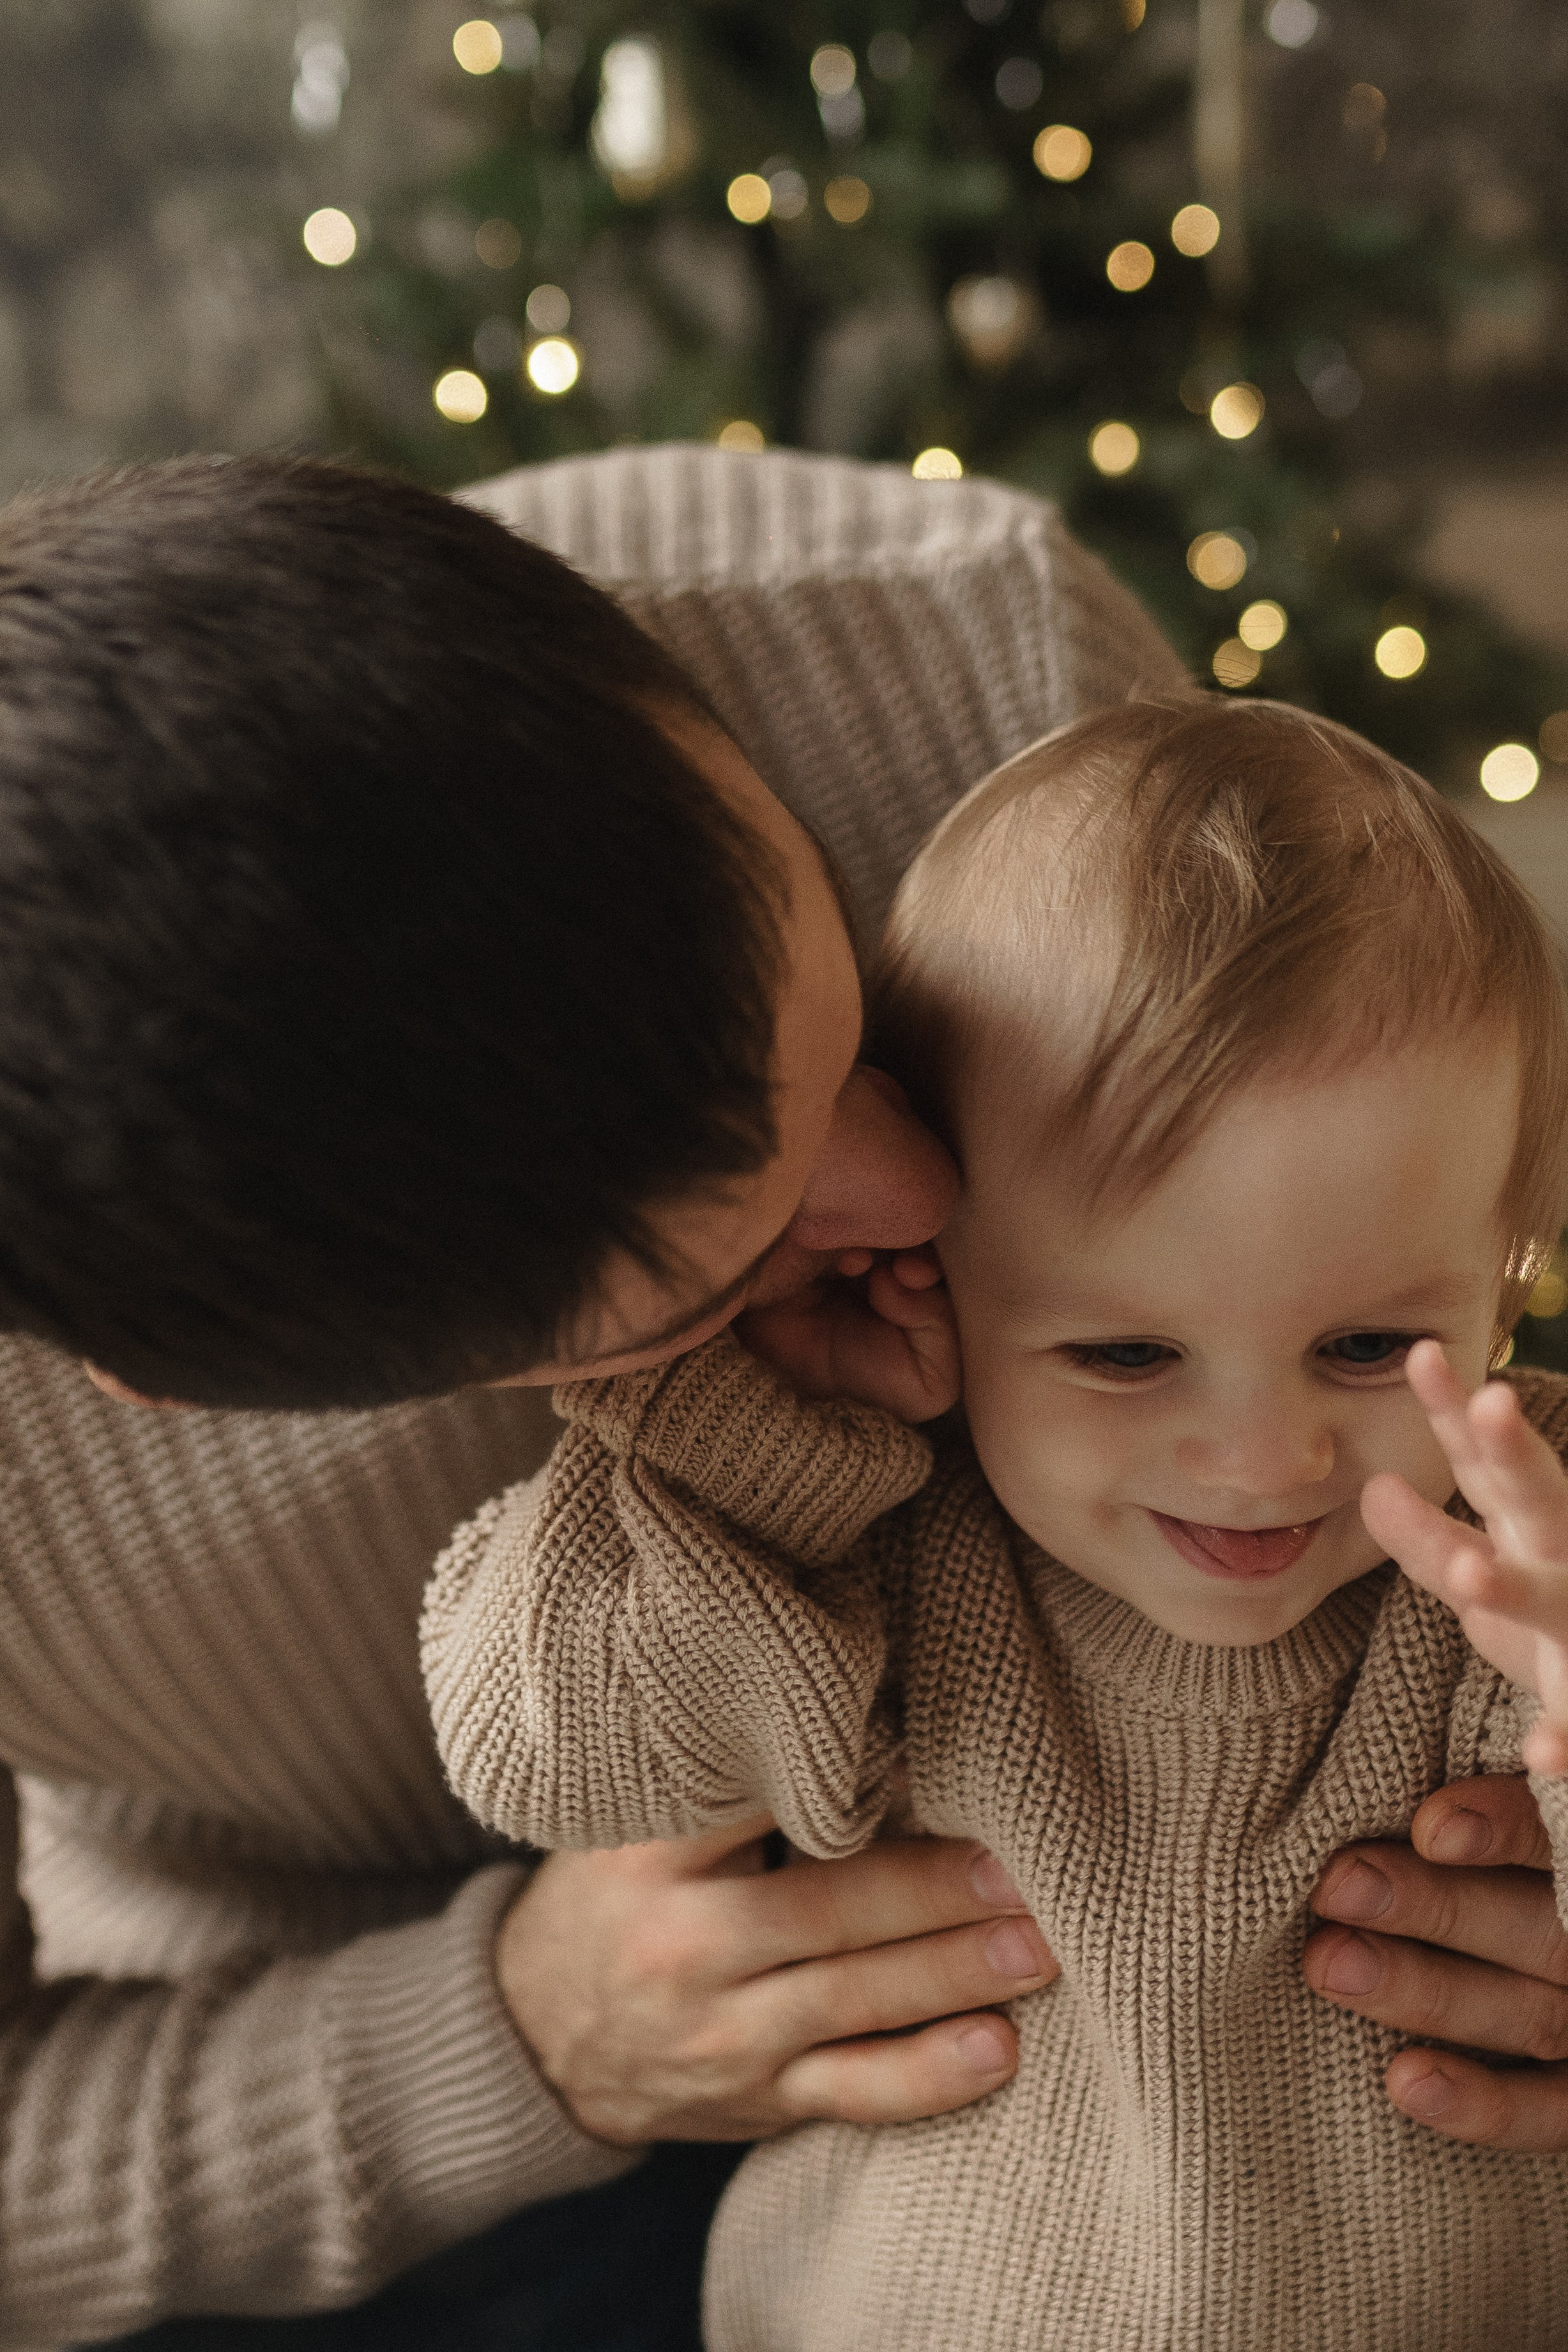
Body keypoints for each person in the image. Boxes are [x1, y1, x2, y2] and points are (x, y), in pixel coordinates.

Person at [0, 451, 1552, 2352]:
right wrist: (526, 2035)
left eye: (848, 1033)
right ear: (194, 1385)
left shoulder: (956, 634)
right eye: (714, 1281)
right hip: (320, 2047)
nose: (921, 1196)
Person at [424, 695, 1568, 2349]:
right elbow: (553, 1755)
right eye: (1125, 1354)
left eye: (1371, 1345)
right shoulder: (877, 1524)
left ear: (1507, 1278)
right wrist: (760, 1446)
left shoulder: (1524, 1544)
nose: (1266, 1459)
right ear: (933, 1275)